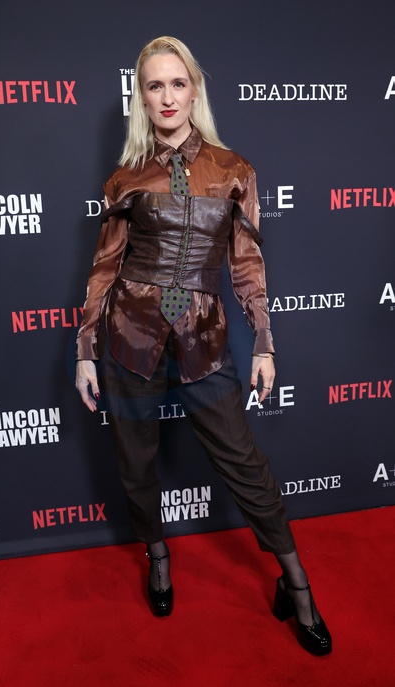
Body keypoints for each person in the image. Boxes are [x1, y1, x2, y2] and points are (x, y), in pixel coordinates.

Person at [75, 36, 332, 656]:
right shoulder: (125, 178)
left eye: (177, 83)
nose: (167, 97)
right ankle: (158, 556)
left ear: (195, 90)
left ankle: (296, 583)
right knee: (135, 462)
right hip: (130, 334)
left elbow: (247, 264)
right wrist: (85, 349)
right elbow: (105, 268)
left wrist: (264, 342)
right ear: (142, 98)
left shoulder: (234, 170)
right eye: (154, 86)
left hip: (204, 335)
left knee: (244, 461)